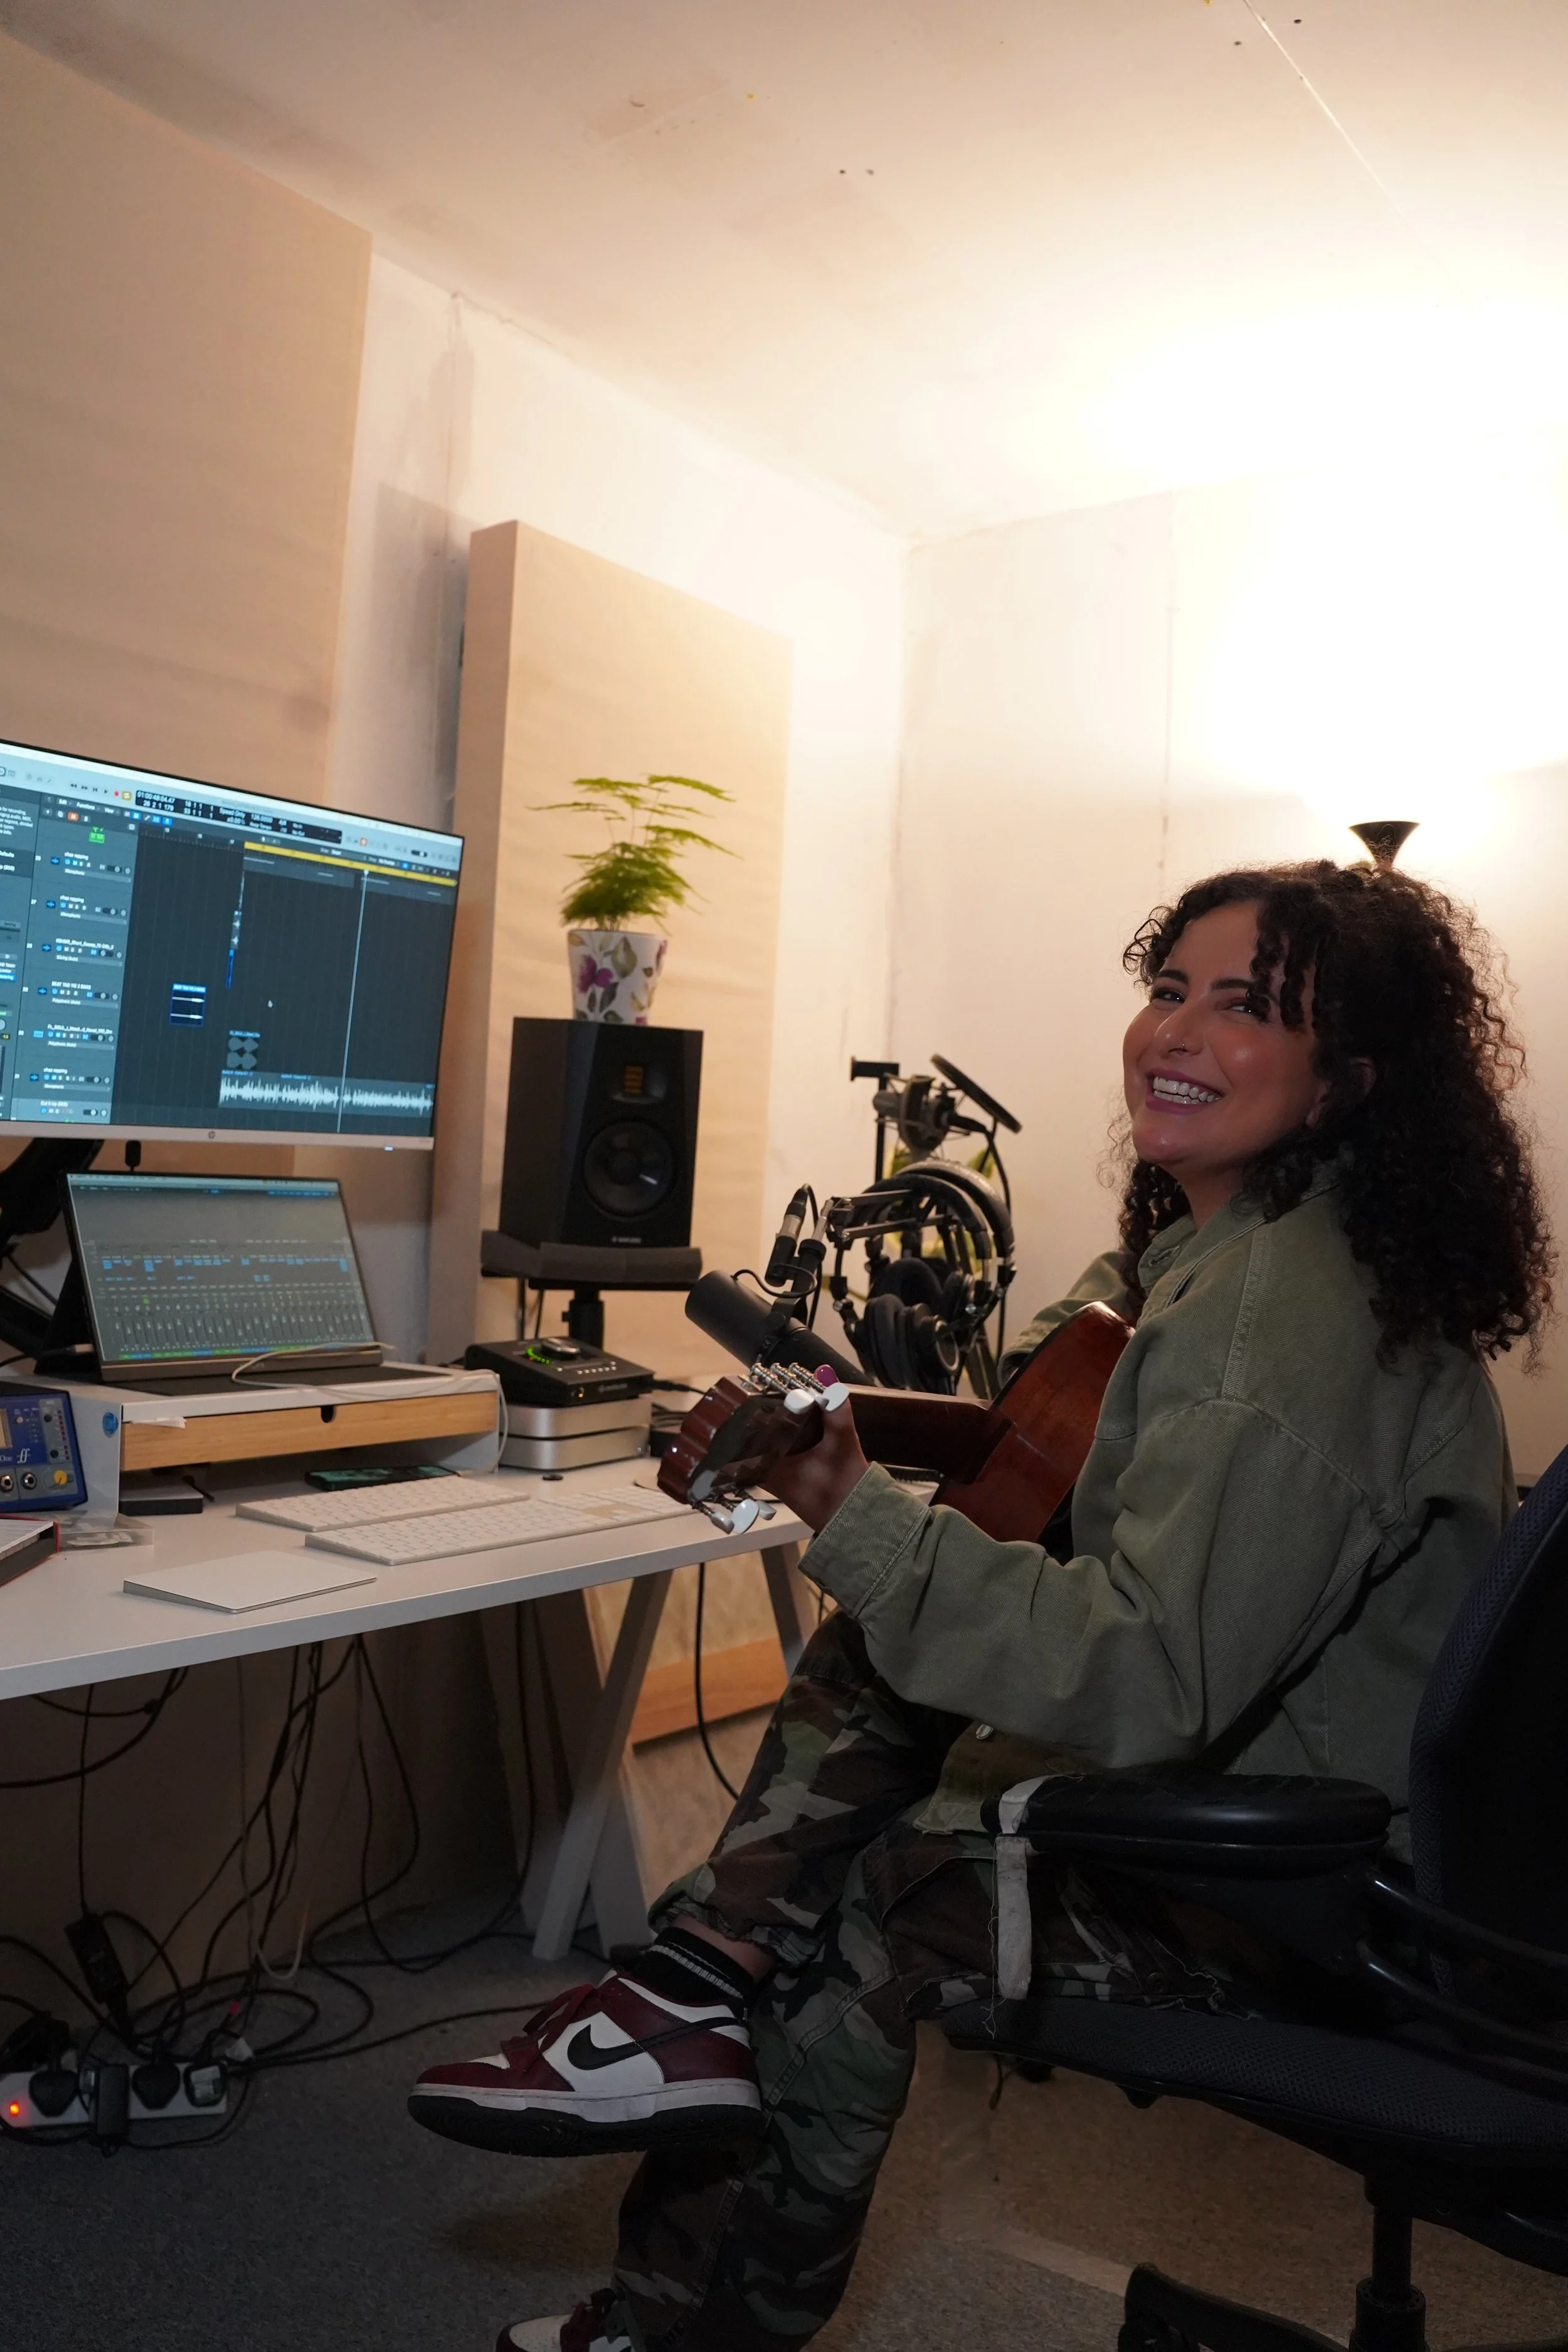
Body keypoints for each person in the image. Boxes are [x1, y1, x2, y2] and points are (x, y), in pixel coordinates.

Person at [412, 861, 1551, 2352]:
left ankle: (682, 2275)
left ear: (1345, 1079)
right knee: (898, 1645)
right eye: (1166, 991)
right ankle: (691, 1995)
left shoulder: (1280, 1318)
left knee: (880, 1900)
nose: (1175, 1035)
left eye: (1244, 1009)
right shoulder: (1217, 1260)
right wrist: (853, 1464)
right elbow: (1043, 1443)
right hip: (1323, 1816)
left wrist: (846, 1510)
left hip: (1310, 1894)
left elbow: (1146, 1674)